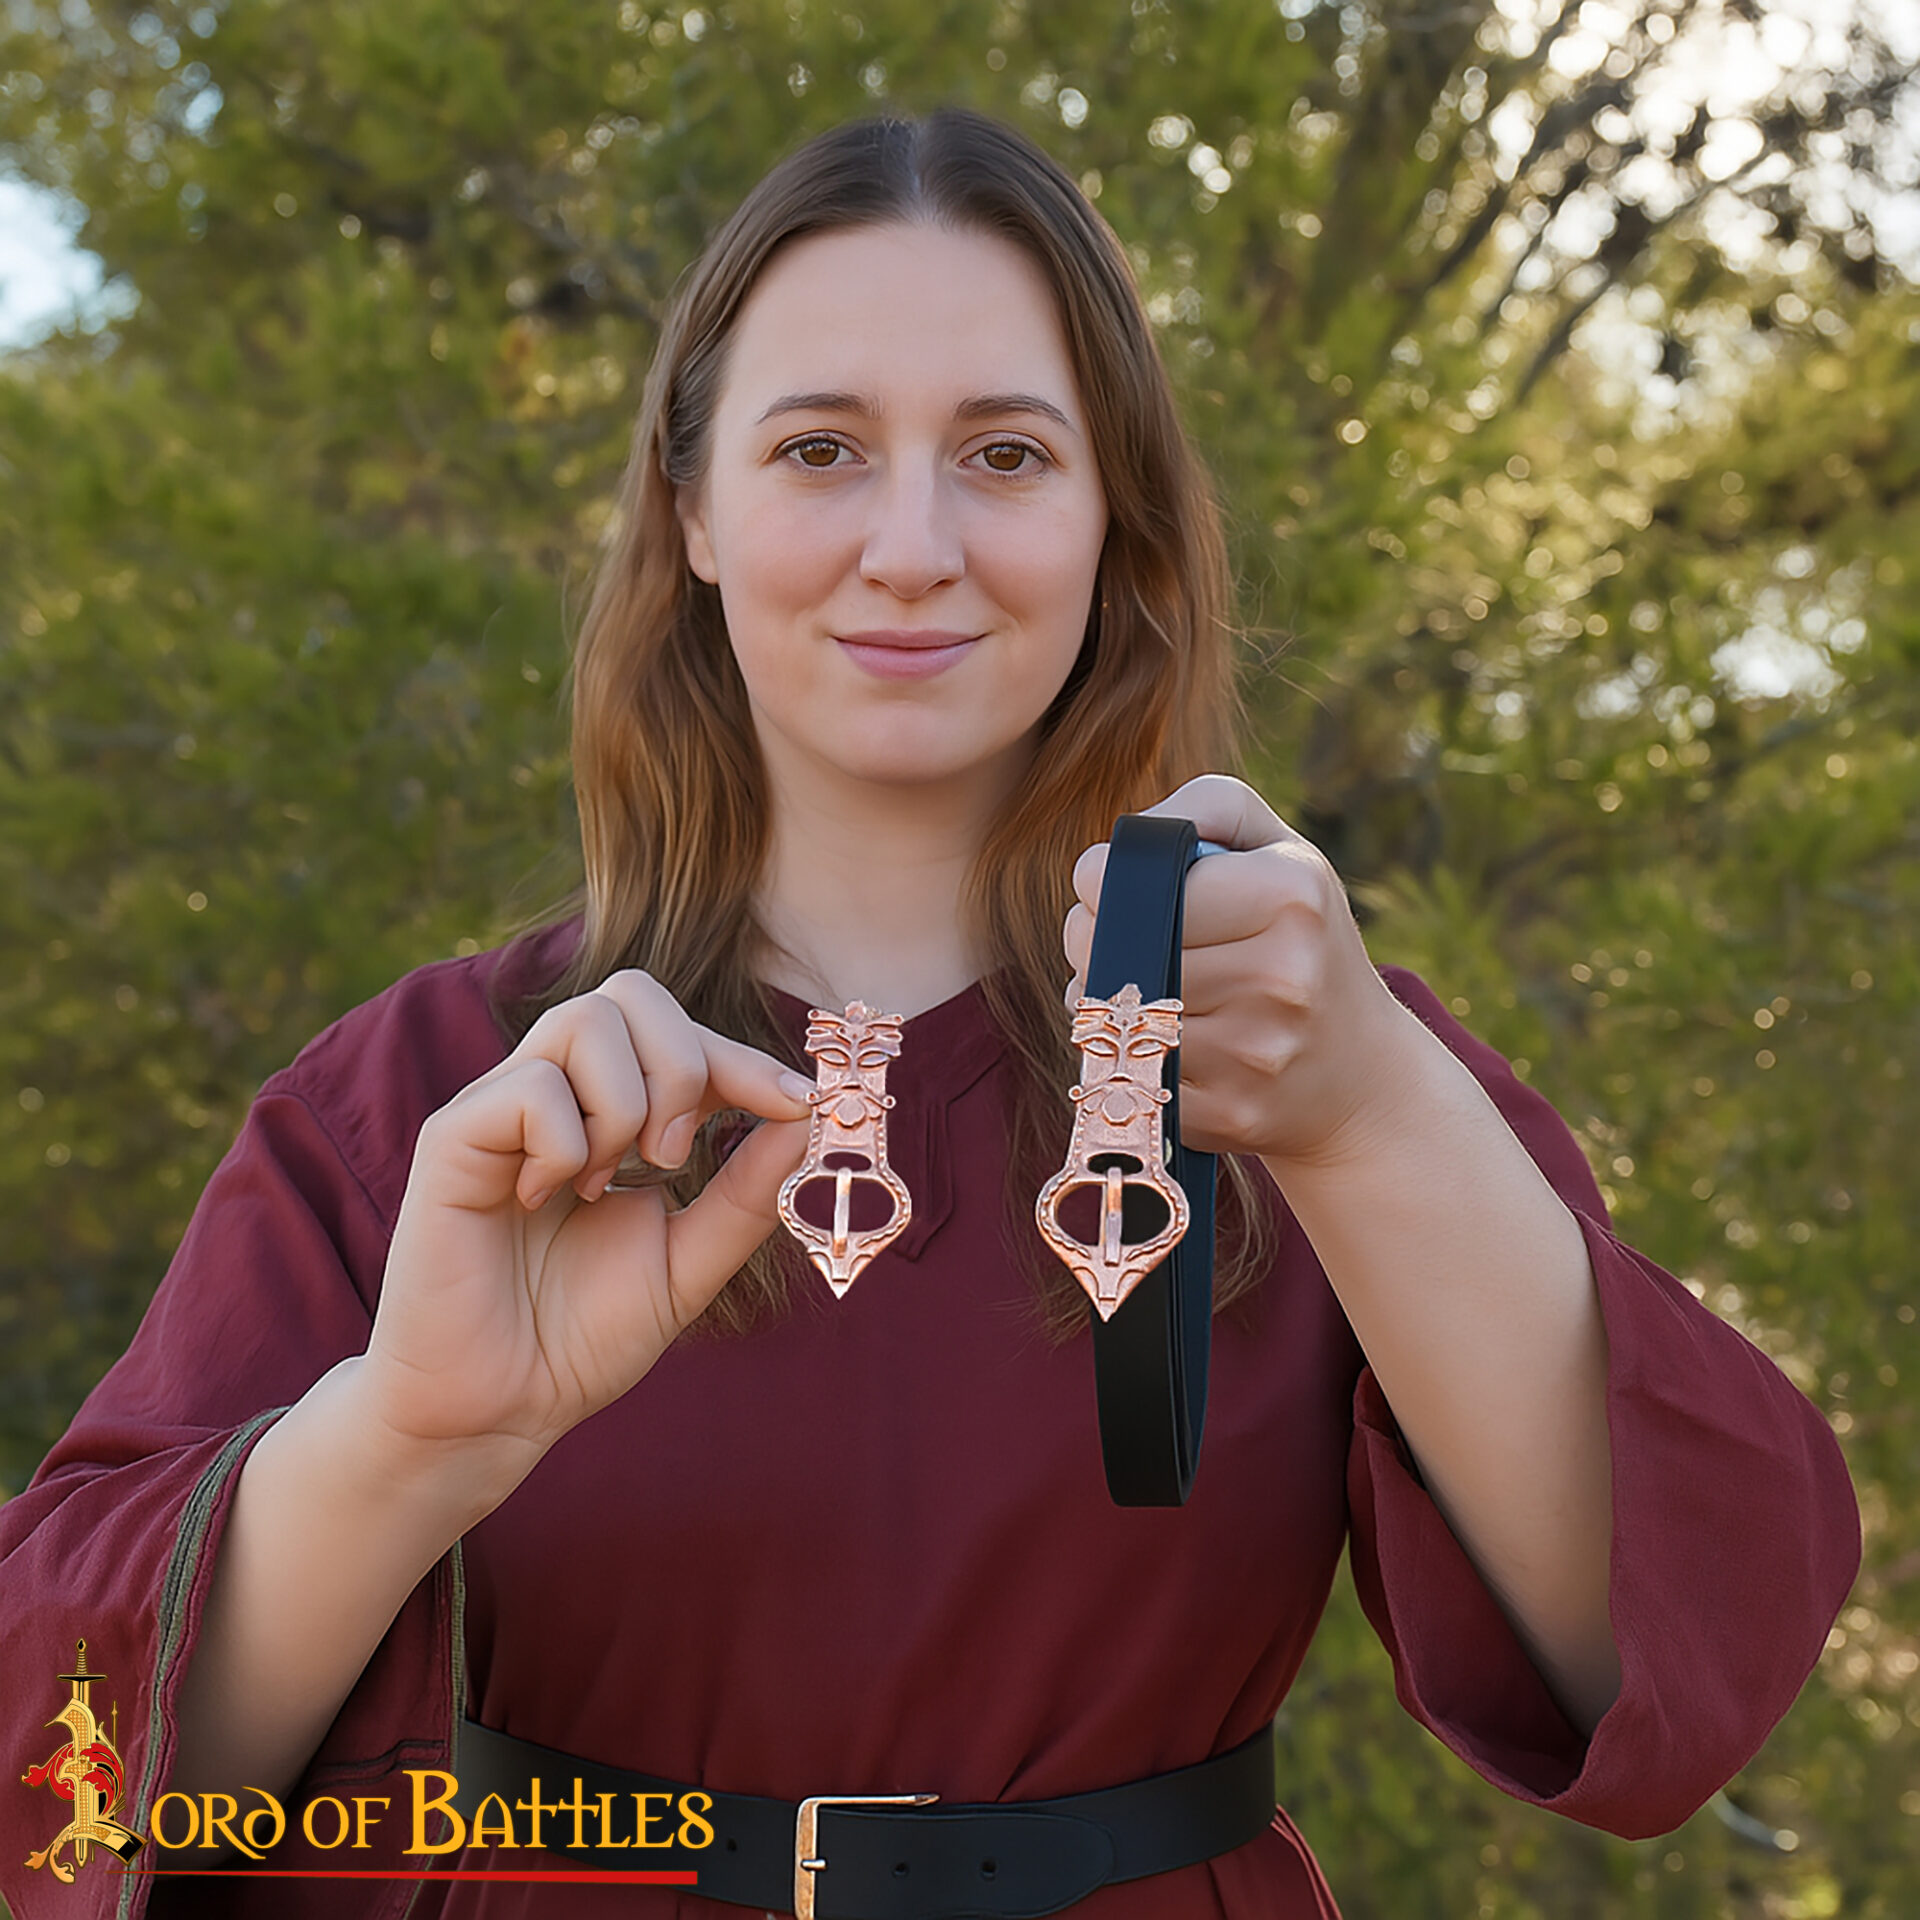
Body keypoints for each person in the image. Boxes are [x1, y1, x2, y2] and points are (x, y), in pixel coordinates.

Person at [0, 109, 1859, 1920]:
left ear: (1112, 513)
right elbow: (54, 1774)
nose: (911, 544)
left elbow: (1679, 1660)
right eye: (819, 448)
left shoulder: (1312, 1052)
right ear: (693, 506)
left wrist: (1372, 1119)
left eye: (1005, 454)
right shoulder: (432, 1101)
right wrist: (405, 1441)